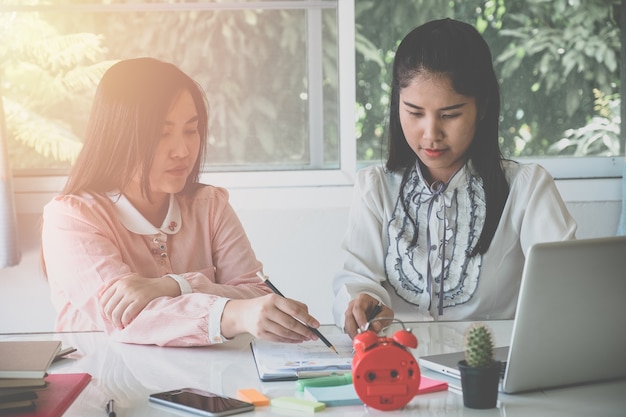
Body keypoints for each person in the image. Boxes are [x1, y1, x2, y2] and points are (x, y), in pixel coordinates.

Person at [42, 57, 322, 347]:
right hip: (107, 384)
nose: (182, 150)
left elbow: (256, 294)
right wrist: (233, 312)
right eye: (162, 134)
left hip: (204, 383)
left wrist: (174, 285)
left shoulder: (210, 205)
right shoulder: (71, 218)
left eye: (191, 130)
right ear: (117, 137)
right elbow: (130, 318)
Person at [333, 18, 577, 338]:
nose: (431, 133)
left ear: (483, 107)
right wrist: (360, 302)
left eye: (449, 114)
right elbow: (356, 278)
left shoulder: (527, 189)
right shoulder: (376, 189)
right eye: (415, 112)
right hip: (398, 369)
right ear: (397, 105)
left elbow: (567, 290)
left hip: (492, 371)